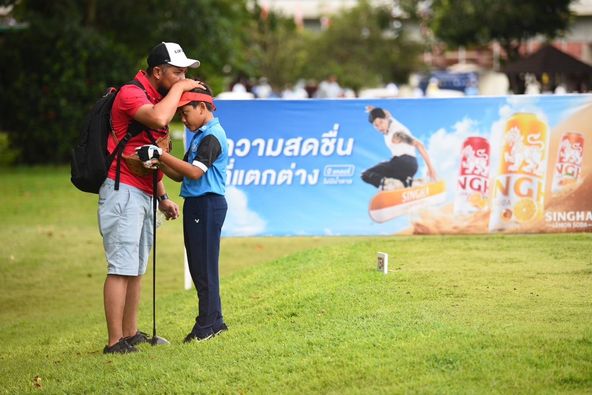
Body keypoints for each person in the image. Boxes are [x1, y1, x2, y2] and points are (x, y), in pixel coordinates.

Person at [99, 42, 204, 354]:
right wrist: (181, 88)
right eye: (177, 71)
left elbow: (149, 154)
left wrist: (162, 197)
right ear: (157, 71)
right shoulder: (131, 94)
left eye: (186, 71)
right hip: (122, 190)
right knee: (121, 266)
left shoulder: (156, 97)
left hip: (143, 191)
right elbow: (158, 120)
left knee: (136, 266)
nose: (183, 77)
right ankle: (114, 341)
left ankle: (130, 333)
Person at [137, 84, 229, 343]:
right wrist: (159, 160)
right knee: (200, 265)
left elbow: (195, 172)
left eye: (186, 112)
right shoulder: (201, 135)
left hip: (207, 205)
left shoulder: (212, 135)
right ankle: (216, 321)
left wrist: (161, 154)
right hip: (200, 205)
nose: (183, 118)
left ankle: (206, 325)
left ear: (202, 107)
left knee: (203, 267)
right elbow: (180, 174)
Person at [361, 107, 437, 191]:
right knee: (389, 173)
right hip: (411, 167)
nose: (380, 127)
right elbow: (386, 113)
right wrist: (373, 110)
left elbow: (419, 144)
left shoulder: (397, 135)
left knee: (366, 174)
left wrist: (430, 168)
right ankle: (410, 184)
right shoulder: (390, 119)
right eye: (376, 125)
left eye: (381, 122)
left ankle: (390, 185)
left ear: (385, 119)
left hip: (402, 163)